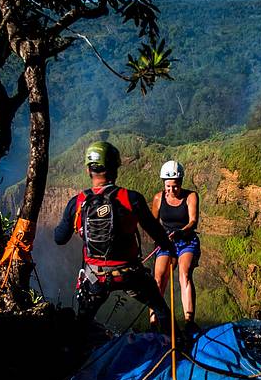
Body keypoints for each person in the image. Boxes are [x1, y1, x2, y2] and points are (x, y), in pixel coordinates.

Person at [53, 141, 176, 334]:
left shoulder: (77, 202)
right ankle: (177, 345)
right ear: (115, 169)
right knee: (160, 309)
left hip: (96, 277)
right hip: (130, 274)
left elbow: (59, 238)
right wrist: (170, 248)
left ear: (88, 170)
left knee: (81, 324)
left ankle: (78, 355)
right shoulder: (131, 198)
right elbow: (157, 234)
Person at [150, 160, 201, 335]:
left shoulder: (191, 196)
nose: (172, 190)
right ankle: (154, 323)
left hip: (186, 240)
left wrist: (180, 232)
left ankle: (189, 321)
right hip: (166, 242)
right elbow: (152, 224)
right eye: (168, 187)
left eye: (175, 186)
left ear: (181, 183)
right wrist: (160, 238)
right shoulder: (158, 198)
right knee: (158, 278)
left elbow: (193, 221)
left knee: (184, 273)